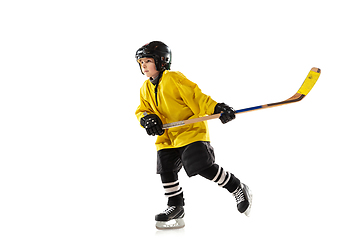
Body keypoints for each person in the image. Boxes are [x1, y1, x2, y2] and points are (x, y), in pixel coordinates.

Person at [135, 41, 252, 229]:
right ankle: (175, 206)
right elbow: (142, 109)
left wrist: (216, 108)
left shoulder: (173, 77)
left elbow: (196, 96)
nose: (144, 66)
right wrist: (147, 119)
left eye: (148, 61)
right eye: (141, 62)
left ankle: (237, 187)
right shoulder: (145, 88)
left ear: (162, 61)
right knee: (166, 170)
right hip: (167, 138)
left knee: (202, 167)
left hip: (190, 132)